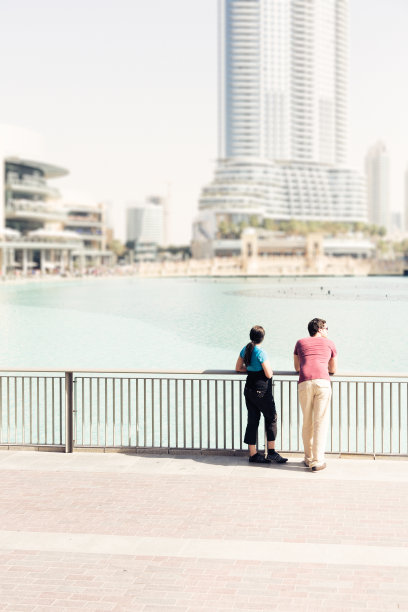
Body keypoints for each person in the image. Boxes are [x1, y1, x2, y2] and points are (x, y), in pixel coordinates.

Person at [236, 325, 288, 464]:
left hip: (249, 390)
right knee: (271, 418)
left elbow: (238, 368)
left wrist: (250, 369)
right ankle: (271, 452)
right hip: (262, 391)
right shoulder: (261, 352)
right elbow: (269, 373)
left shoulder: (245, 349)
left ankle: (253, 454)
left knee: (252, 420)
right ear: (262, 338)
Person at [294, 318, 337, 472]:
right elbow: (333, 369)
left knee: (307, 421)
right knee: (320, 422)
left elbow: (297, 367)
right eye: (326, 328)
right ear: (319, 329)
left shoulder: (300, 342)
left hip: (305, 381)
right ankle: (317, 461)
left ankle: (308, 458)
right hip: (323, 383)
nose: (327, 331)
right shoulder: (330, 343)